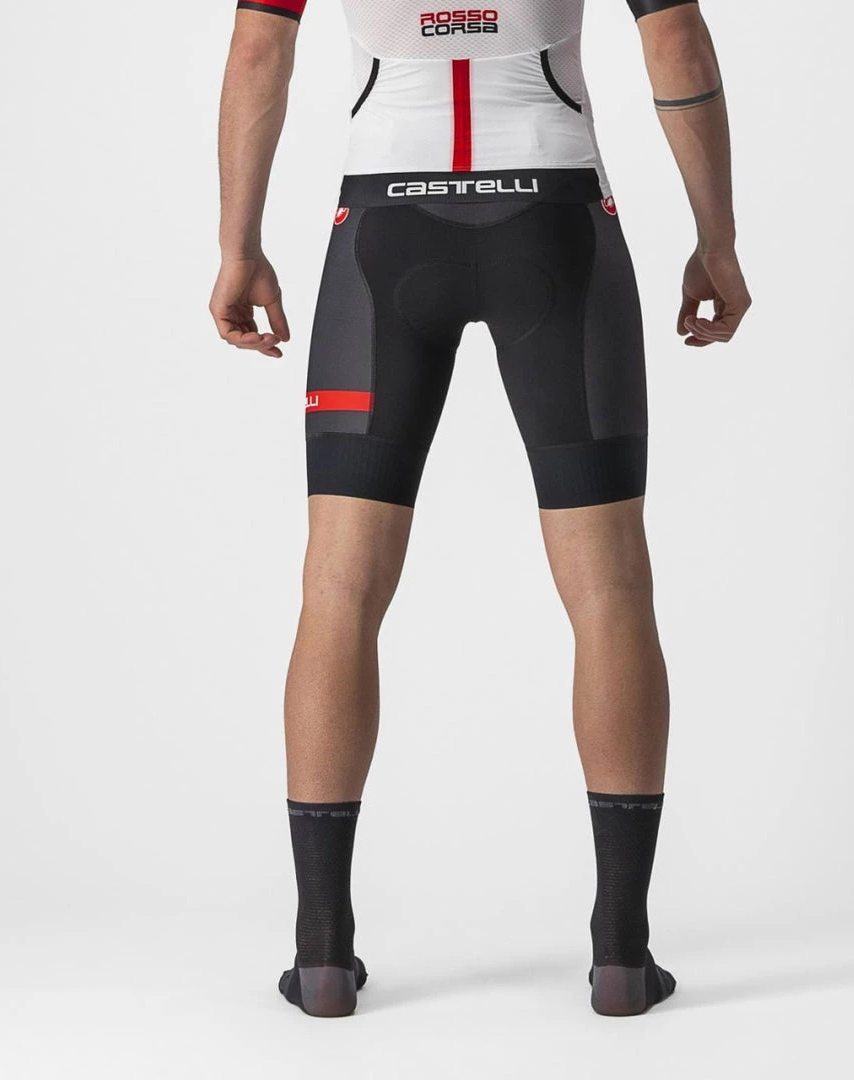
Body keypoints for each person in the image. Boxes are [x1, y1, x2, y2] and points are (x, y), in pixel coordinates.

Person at [210, 0, 750, 1018]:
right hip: (554, 218)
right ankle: (622, 953)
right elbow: (674, 37)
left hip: (383, 222)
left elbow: (257, 46)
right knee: (609, 587)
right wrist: (715, 238)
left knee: (338, 587)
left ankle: (321, 954)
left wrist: (238, 246)